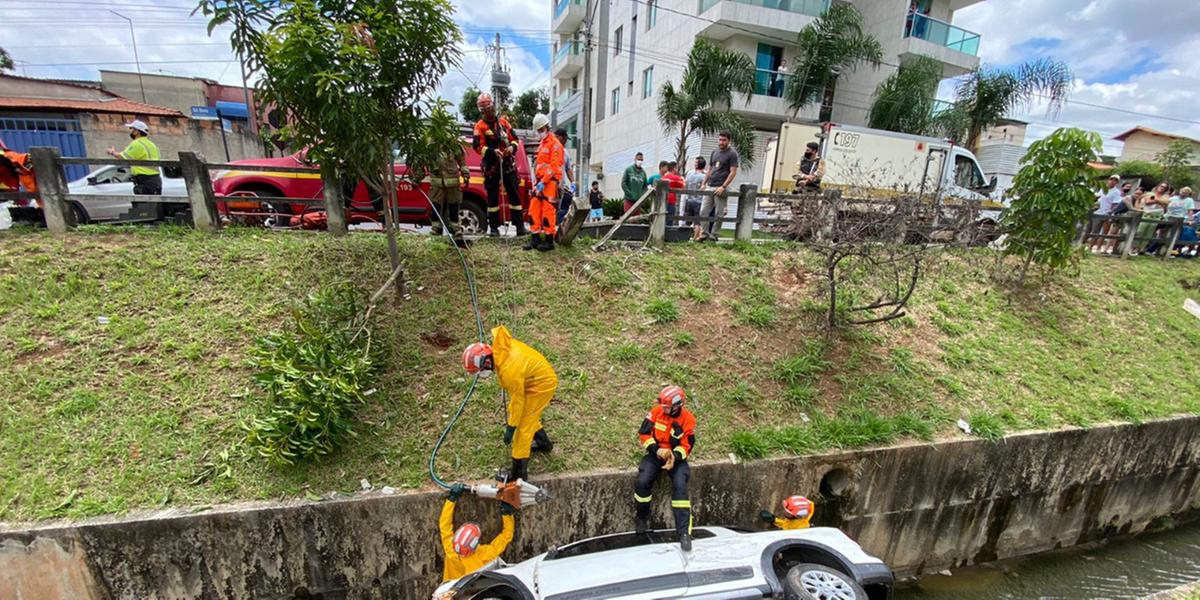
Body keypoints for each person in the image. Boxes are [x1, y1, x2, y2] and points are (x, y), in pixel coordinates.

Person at [462, 325, 557, 482]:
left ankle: (518, 475)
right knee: (528, 417)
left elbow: (517, 402)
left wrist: (511, 427)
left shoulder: (509, 371)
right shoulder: (501, 351)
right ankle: (543, 443)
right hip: (533, 379)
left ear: (485, 363)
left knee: (523, 428)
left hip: (542, 384)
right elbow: (516, 398)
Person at [634, 385, 697, 552]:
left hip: (676, 458)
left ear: (677, 405)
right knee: (642, 482)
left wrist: (674, 457)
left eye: (667, 406)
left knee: (680, 487)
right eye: (662, 405)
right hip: (656, 454)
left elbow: (687, 445)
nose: (663, 408)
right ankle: (642, 516)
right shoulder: (655, 412)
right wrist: (657, 450)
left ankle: (684, 533)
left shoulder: (688, 420)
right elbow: (644, 434)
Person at [472, 93, 527, 237]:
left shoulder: (503, 122)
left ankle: (520, 226)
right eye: (485, 110)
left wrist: (511, 148)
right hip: (492, 166)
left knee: (514, 196)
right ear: (481, 111)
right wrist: (492, 152)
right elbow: (477, 146)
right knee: (492, 198)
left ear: (493, 106)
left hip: (507, 164)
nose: (488, 112)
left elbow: (515, 139)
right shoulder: (480, 126)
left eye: (489, 108)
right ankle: (494, 228)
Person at [439, 483, 515, 582]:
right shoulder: (485, 554)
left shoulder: (450, 550)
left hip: (449, 590)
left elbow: (444, 524)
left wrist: (452, 498)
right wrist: (507, 514)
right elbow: (506, 535)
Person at [527, 113, 564, 252]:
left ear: (547, 127)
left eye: (541, 129)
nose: (540, 132)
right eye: (538, 130)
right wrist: (538, 181)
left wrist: (543, 181)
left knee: (548, 211)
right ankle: (535, 238)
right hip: (541, 182)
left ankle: (549, 241)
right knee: (534, 208)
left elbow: (554, 167)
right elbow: (540, 164)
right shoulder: (543, 143)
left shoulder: (555, 144)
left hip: (550, 182)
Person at [426, 137, 470, 242]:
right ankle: (436, 228)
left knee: (454, 205)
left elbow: (462, 161)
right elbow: (424, 160)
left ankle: (455, 229)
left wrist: (466, 174)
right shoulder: (431, 145)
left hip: (452, 182)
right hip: (437, 183)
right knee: (436, 205)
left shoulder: (454, 145)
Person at [700, 131, 740, 242]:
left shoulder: (732, 154)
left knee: (719, 213)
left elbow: (733, 172)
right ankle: (704, 234)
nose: (721, 142)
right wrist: (703, 183)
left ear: (728, 141)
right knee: (703, 211)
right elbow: (710, 169)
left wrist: (723, 186)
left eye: (724, 140)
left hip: (721, 187)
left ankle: (714, 235)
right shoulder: (714, 152)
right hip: (710, 185)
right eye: (720, 139)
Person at [106, 120, 161, 195]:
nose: (130, 132)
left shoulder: (137, 144)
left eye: (131, 129)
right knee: (154, 205)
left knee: (143, 205)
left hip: (144, 180)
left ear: (137, 131)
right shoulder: (152, 145)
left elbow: (121, 157)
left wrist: (112, 152)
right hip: (156, 180)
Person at [1091, 175, 1123, 253]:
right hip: (1097, 212)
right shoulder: (1101, 189)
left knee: (1104, 232)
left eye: (1115, 180)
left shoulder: (1116, 192)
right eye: (1111, 179)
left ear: (1117, 183)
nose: (1113, 181)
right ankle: (1090, 247)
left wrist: (1111, 212)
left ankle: (1098, 248)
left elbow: (1116, 204)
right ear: (1108, 180)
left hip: (1107, 213)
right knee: (1095, 231)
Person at [554, 128, 576, 225]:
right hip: (550, 184)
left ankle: (557, 227)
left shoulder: (565, 152)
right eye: (564, 139)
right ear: (558, 137)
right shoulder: (550, 147)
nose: (566, 142)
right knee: (550, 208)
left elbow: (568, 168)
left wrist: (573, 182)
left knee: (562, 206)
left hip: (560, 186)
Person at [684, 157, 707, 241]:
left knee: (687, 221)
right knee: (697, 222)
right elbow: (705, 187)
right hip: (699, 201)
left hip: (689, 200)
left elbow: (685, 185)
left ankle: (684, 238)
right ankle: (695, 238)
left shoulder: (689, 173)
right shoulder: (704, 176)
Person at [663, 161, 685, 226]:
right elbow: (684, 185)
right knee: (669, 221)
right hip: (671, 202)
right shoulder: (676, 178)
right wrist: (682, 179)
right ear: (674, 168)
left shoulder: (663, 177)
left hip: (663, 202)